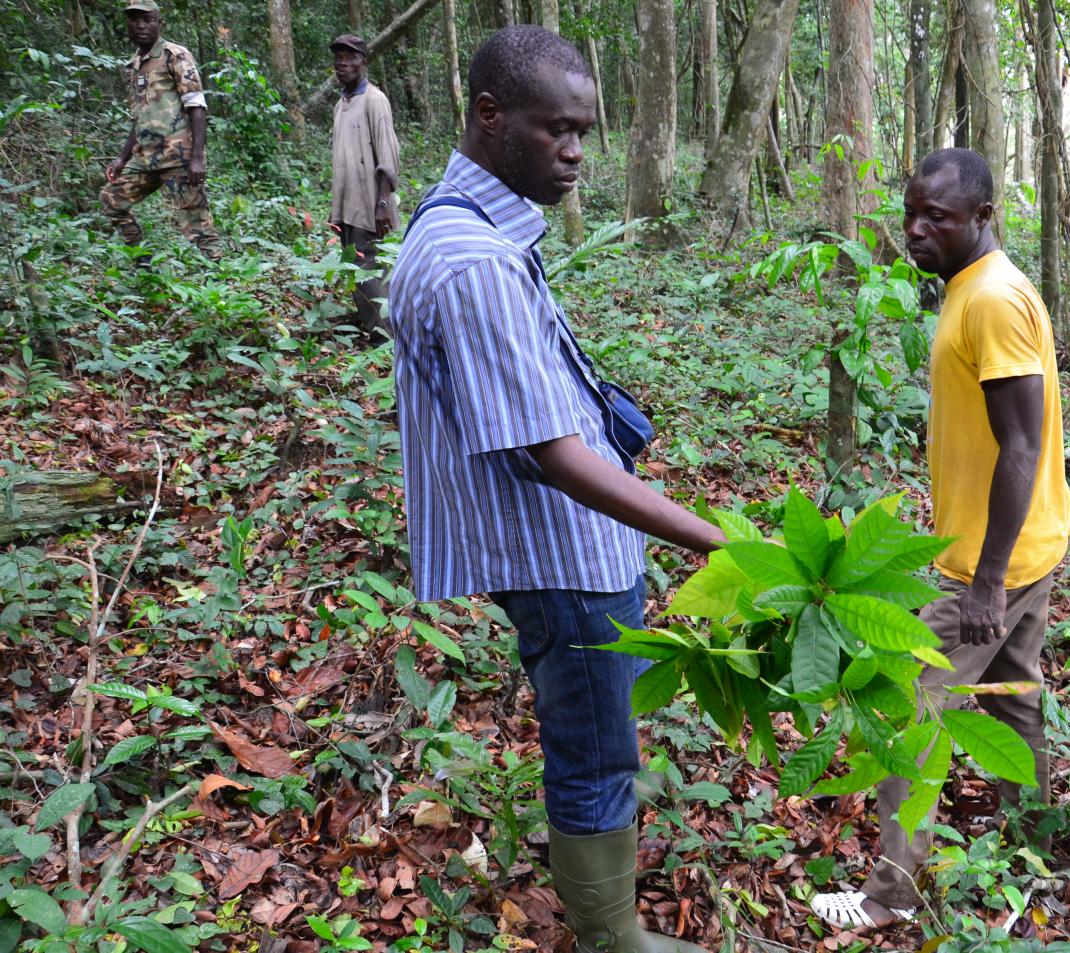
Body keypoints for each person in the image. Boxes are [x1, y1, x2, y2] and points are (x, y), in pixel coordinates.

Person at [388, 25, 723, 953]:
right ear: (490, 117)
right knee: (590, 753)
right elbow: (555, 457)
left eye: (584, 131)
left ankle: (613, 842)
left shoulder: (463, 226)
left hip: (560, 543)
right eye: (557, 130)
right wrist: (718, 543)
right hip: (559, 551)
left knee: (599, 726)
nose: (576, 152)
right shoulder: (475, 262)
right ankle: (615, 939)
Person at [811, 148, 1070, 930]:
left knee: (911, 700)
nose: (916, 230)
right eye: (911, 213)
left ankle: (890, 896)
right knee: (1014, 699)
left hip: (992, 559)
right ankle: (1035, 854)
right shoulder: (970, 289)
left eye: (938, 216)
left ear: (983, 218)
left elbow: (1023, 445)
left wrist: (988, 580)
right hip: (1024, 544)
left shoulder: (993, 298)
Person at [100, 0, 223, 262]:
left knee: (196, 223)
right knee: (112, 198)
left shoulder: (174, 55)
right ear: (127, 24)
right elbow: (140, 116)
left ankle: (219, 281)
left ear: (159, 23)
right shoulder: (133, 66)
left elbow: (196, 106)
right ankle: (143, 262)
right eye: (134, 19)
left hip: (178, 157)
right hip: (145, 158)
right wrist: (122, 158)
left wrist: (198, 157)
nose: (141, 25)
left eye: (148, 19)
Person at [328, 33, 399, 339]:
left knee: (374, 274)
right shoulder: (341, 104)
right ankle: (373, 333)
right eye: (338, 58)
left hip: (371, 207)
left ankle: (387, 340)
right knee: (356, 272)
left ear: (363, 63)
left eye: (349, 58)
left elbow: (387, 156)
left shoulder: (375, 100)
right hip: (347, 208)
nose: (342, 64)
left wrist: (383, 204)